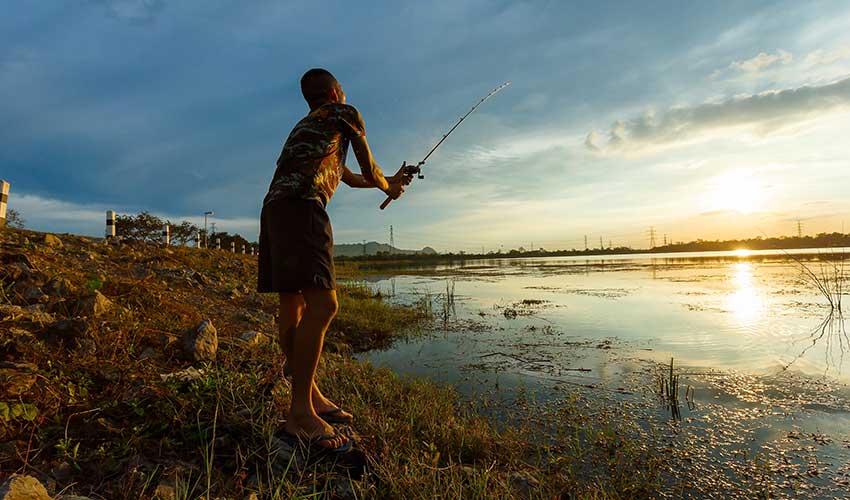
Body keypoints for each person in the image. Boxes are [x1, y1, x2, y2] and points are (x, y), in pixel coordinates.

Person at [258, 68, 411, 452]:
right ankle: (299, 415)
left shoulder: (310, 129)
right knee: (324, 305)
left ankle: (311, 397)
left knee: (292, 302)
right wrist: (388, 184)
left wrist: (391, 178)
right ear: (334, 92)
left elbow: (351, 176)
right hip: (302, 209)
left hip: (275, 212)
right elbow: (369, 168)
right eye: (342, 90)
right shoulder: (344, 113)